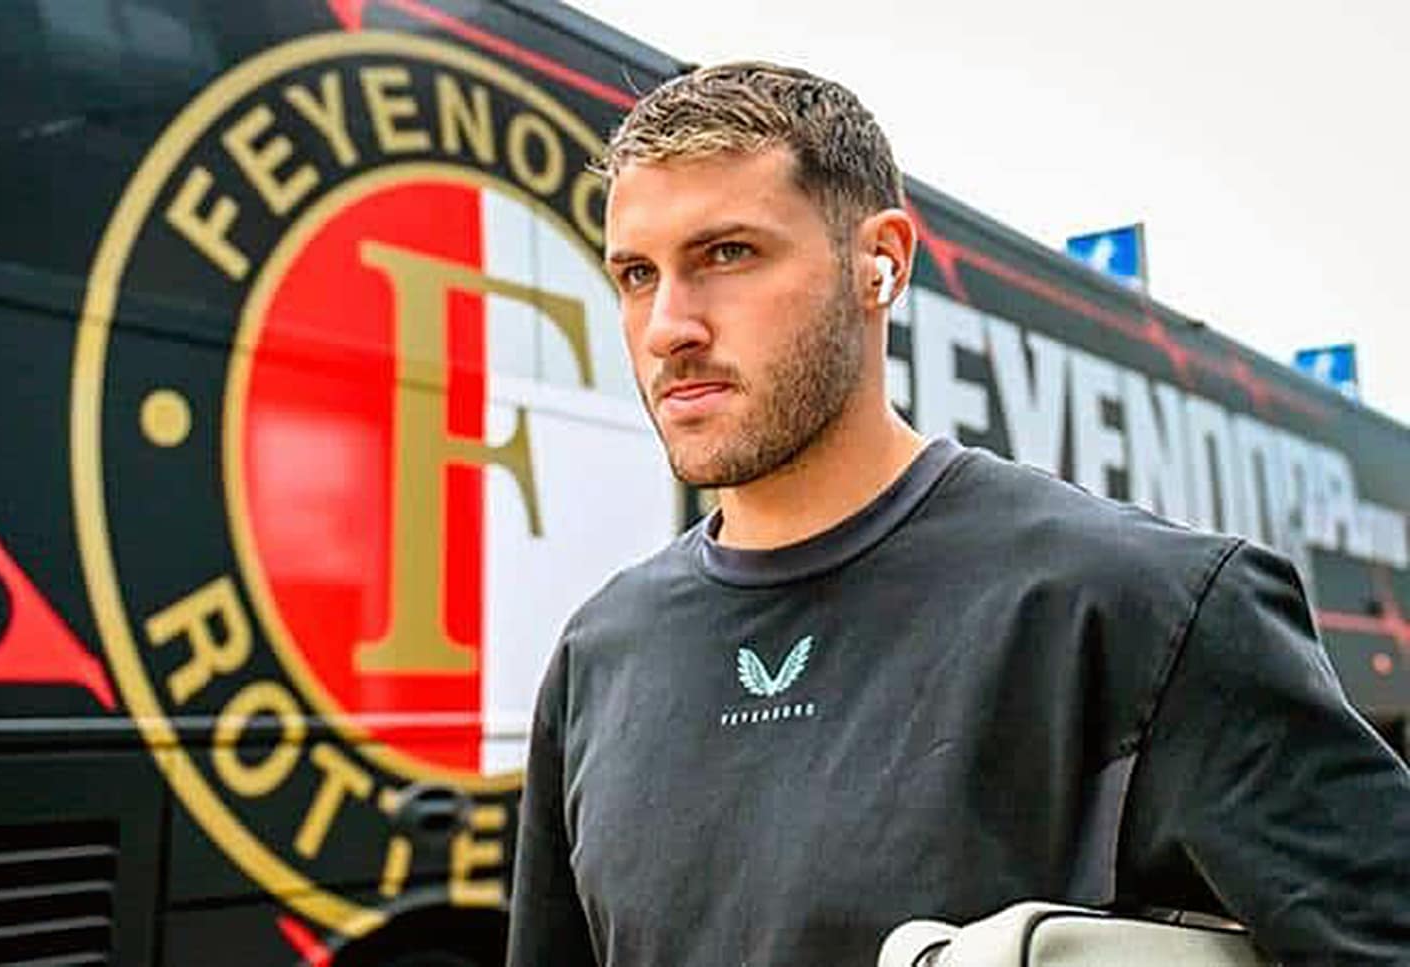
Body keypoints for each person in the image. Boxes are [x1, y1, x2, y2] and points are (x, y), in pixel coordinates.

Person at [505, 62, 1410, 966]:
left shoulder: (1146, 610)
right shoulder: (599, 656)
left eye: (727, 254)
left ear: (881, 262)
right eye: (635, 272)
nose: (668, 324)